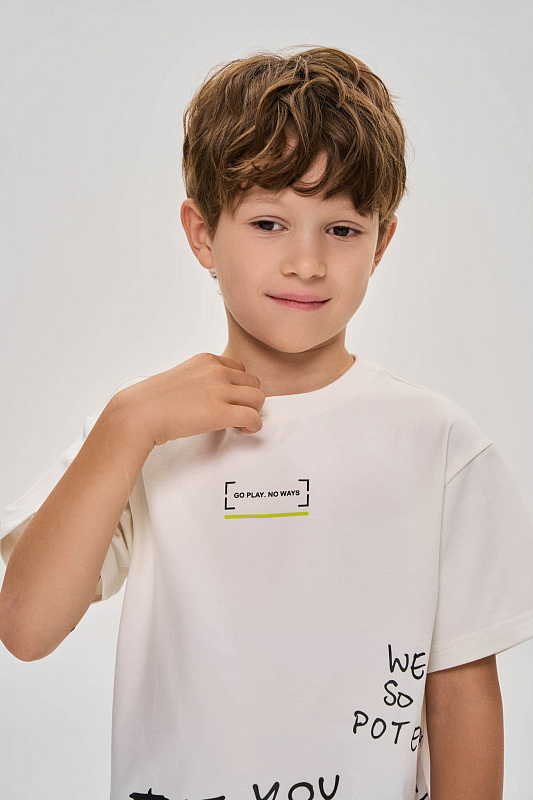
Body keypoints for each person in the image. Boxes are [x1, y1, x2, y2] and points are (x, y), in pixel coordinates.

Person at [1, 45, 532, 800]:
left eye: (341, 230)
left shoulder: (436, 444)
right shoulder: (141, 431)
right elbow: (24, 628)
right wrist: (125, 426)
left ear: (382, 242)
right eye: (269, 222)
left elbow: (462, 695)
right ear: (201, 234)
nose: (305, 263)